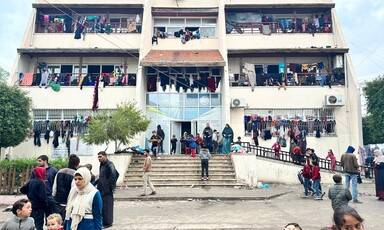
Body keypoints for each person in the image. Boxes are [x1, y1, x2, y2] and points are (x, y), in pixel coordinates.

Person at [52, 154, 80, 220]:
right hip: (68, 202)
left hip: (58, 201)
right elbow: (74, 190)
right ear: (77, 164)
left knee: (58, 221)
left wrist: (54, 196)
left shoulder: (60, 171)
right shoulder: (76, 174)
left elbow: (54, 187)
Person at [95, 151, 118, 228]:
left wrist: (110, 186)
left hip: (107, 189)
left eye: (100, 156)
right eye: (98, 157)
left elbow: (114, 175)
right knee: (102, 205)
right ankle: (103, 221)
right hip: (101, 188)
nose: (99, 158)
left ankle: (108, 223)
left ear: (105, 156)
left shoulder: (110, 164)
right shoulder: (102, 165)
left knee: (107, 206)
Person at [30, 155, 57, 220]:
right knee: (38, 218)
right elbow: (31, 182)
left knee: (50, 218)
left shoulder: (53, 170)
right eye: (38, 161)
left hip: (49, 196)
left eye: (40, 161)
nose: (38, 162)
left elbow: (56, 183)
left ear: (45, 161)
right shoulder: (35, 170)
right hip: (38, 198)